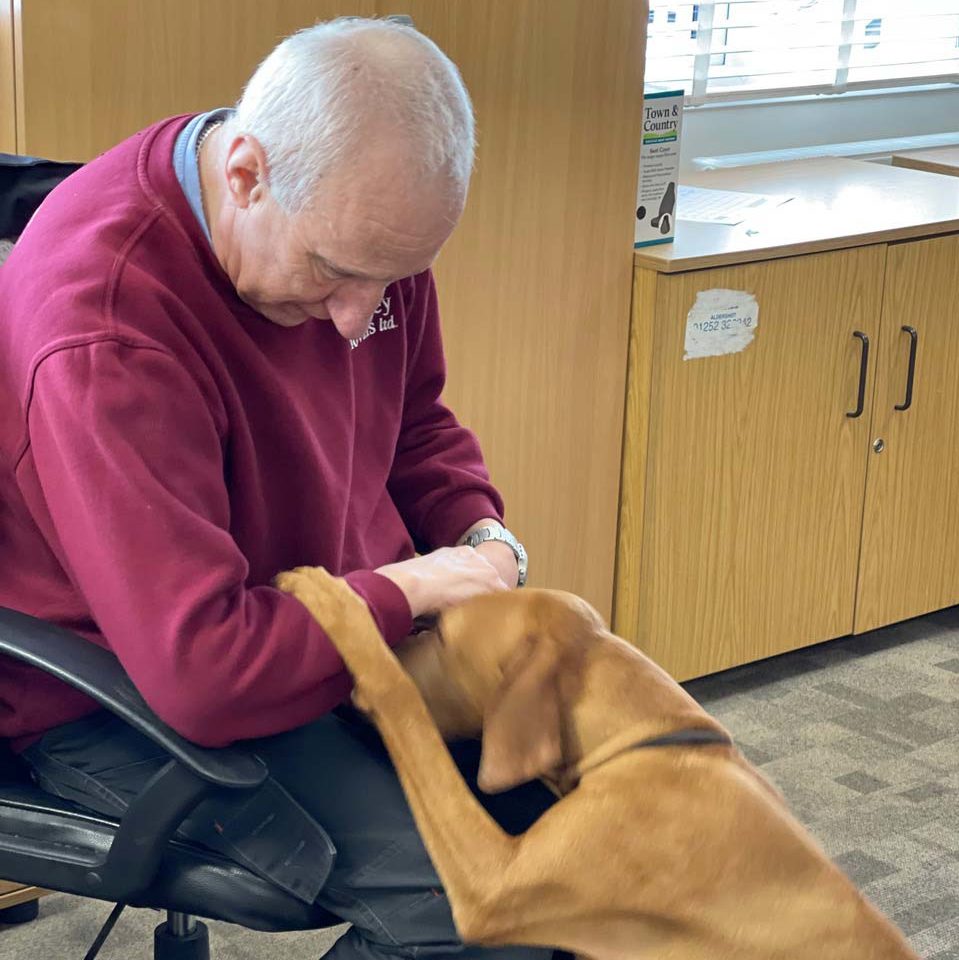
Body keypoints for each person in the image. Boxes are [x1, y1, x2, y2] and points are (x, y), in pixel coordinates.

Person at [0, 18, 552, 959]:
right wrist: (411, 589)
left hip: (306, 627)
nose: (353, 319)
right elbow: (203, 676)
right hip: (117, 684)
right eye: (334, 274)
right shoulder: (108, 328)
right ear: (246, 174)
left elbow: (415, 425)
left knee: (584, 827)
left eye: (391, 282)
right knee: (479, 918)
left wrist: (481, 537)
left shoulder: (360, 232)